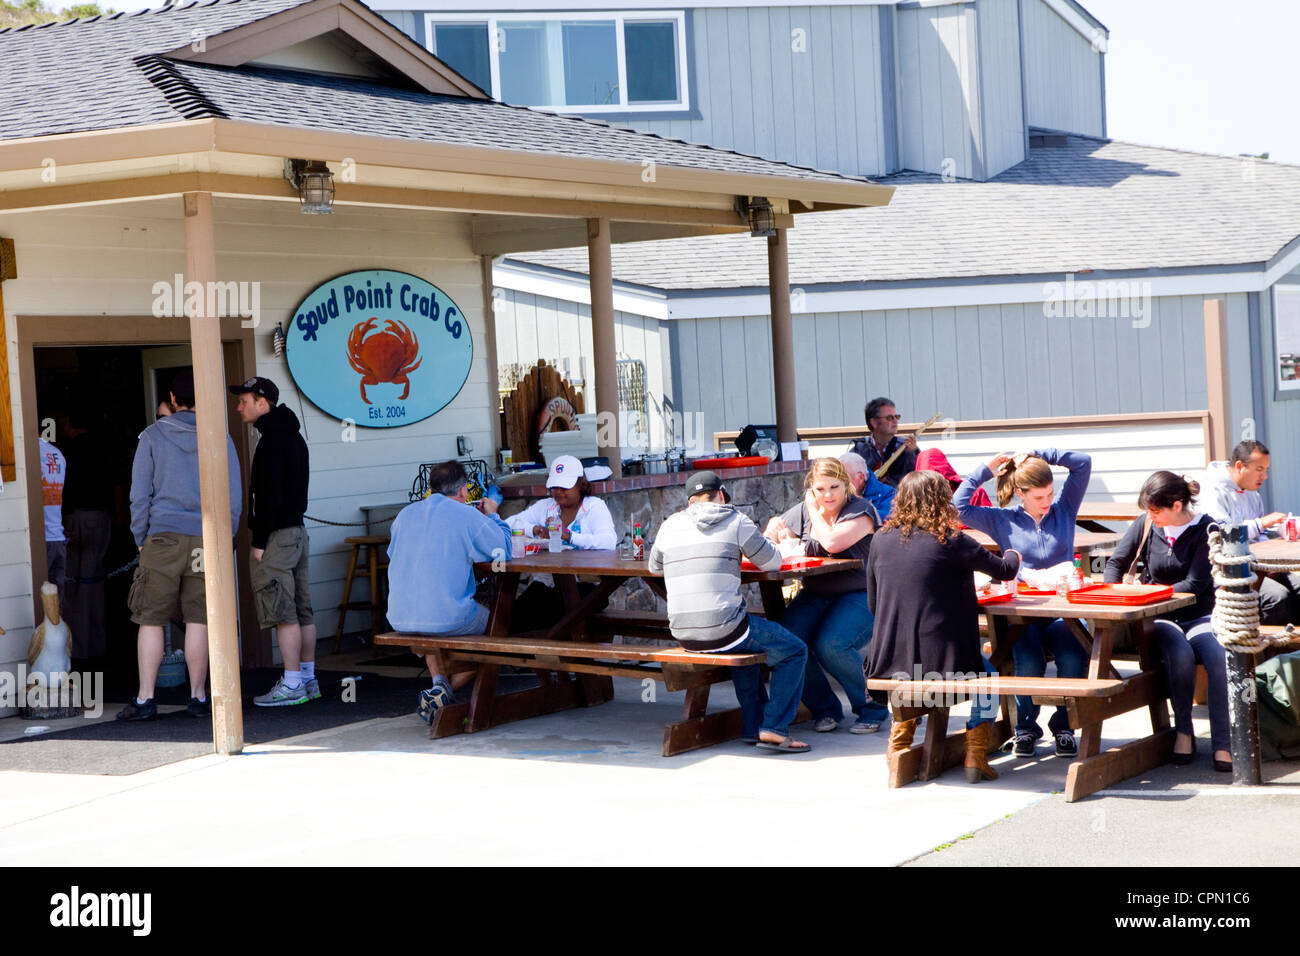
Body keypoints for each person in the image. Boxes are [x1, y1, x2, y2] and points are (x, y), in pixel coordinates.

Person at [865, 470, 1021, 782]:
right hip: (946, 666)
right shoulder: (951, 540)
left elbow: (873, 602)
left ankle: (898, 748)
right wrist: (1013, 548)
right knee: (988, 677)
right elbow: (1005, 570)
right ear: (942, 501)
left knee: (912, 680)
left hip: (888, 662)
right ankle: (975, 755)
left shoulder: (880, 540)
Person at [648, 470, 811, 753]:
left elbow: (654, 568)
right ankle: (774, 727)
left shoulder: (669, 524)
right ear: (721, 495)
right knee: (794, 650)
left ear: (690, 502)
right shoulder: (735, 520)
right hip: (725, 630)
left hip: (683, 634)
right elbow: (771, 562)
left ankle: (753, 726)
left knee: (741, 644)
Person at [118, 369, 242, 721]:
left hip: (163, 536)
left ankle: (146, 699)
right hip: (205, 537)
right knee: (199, 617)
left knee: (151, 619)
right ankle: (199, 696)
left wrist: (141, 537)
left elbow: (138, 495)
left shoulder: (152, 436)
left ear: (172, 399)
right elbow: (233, 496)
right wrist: (225, 537)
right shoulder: (220, 437)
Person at [954, 448, 1092, 759]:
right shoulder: (1003, 520)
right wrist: (984, 471)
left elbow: (1082, 463)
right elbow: (957, 507)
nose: (1046, 503)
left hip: (1062, 610)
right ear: (1021, 493)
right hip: (1022, 614)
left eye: (1050, 495)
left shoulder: (1064, 511)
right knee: (1027, 662)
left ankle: (1064, 726)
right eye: (1039, 497)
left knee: (1072, 655)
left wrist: (1041, 453)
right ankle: (1025, 728)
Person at [1104, 471, 1229, 771]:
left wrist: (1148, 592)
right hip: (1158, 617)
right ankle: (1183, 731)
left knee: (1218, 655)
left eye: (1156, 510)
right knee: (1180, 654)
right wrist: (1114, 594)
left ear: (1176, 505)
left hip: (1199, 615)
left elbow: (1195, 584)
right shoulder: (1146, 524)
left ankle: (1223, 742)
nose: (1151, 516)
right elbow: (1115, 563)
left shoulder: (1208, 529)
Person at [764, 457, 889, 733]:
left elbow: (831, 541)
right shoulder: (804, 510)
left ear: (846, 485)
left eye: (834, 487)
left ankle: (873, 707)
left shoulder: (861, 510)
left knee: (831, 645)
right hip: (817, 592)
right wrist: (775, 529)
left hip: (861, 593)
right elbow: (770, 538)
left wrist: (811, 507)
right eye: (820, 489)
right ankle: (825, 709)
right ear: (812, 487)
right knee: (783, 641)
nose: (827, 495)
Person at [386, 459, 512, 723]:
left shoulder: (404, 516)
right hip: (446, 617)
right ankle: (448, 690)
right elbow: (502, 550)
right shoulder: (467, 515)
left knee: (431, 618)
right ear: (464, 490)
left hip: (401, 616)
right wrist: (493, 514)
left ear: (430, 487)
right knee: (500, 628)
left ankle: (439, 684)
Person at [228, 377, 318, 708]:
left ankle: (293, 683)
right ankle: (307, 678)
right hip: (297, 531)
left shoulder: (272, 442)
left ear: (262, 403)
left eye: (244, 401)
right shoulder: (293, 438)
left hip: (277, 536)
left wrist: (260, 539)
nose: (239, 407)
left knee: (283, 611)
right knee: (301, 608)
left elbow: (267, 497)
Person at [504, 455, 616, 629]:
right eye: (554, 487)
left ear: (581, 485)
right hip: (548, 584)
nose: (558, 491)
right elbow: (509, 523)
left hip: (587, 588)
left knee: (546, 620)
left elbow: (608, 541)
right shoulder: (546, 506)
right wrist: (535, 529)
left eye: (565, 486)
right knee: (510, 619)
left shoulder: (595, 507)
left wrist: (569, 536)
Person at [1202, 440, 1295, 624]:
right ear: (1239, 466)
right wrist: (1261, 523)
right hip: (1229, 570)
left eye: (1266, 469)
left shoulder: (1253, 492)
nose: (1265, 476)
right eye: (1259, 469)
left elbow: (1260, 536)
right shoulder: (1212, 491)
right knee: (1278, 597)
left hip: (1259, 564)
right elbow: (1224, 536)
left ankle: (1293, 649)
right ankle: (1264, 648)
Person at [59, 408, 114, 659]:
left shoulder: (67, 452)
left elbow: (64, 489)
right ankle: (99, 646)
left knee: (75, 586)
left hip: (77, 519)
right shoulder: (103, 446)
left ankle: (79, 652)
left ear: (69, 422)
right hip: (102, 519)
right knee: (95, 583)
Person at [848, 397, 917, 488]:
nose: (895, 421)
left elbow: (917, 481)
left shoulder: (907, 447)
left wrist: (911, 454)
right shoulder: (858, 451)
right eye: (889, 418)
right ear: (874, 423)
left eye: (897, 417)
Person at [916, 448, 993, 508]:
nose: (933, 485)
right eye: (926, 481)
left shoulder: (973, 493)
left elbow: (989, 524)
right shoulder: (914, 499)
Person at [38, 435, 67, 595]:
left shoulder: (30, 453)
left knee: (41, 602)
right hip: (58, 536)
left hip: (41, 542)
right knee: (57, 605)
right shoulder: (57, 454)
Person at [839, 450, 895, 520]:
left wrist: (865, 508)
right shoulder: (835, 493)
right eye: (838, 478)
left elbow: (890, 519)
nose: (840, 482)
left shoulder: (888, 493)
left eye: (845, 478)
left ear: (861, 477)